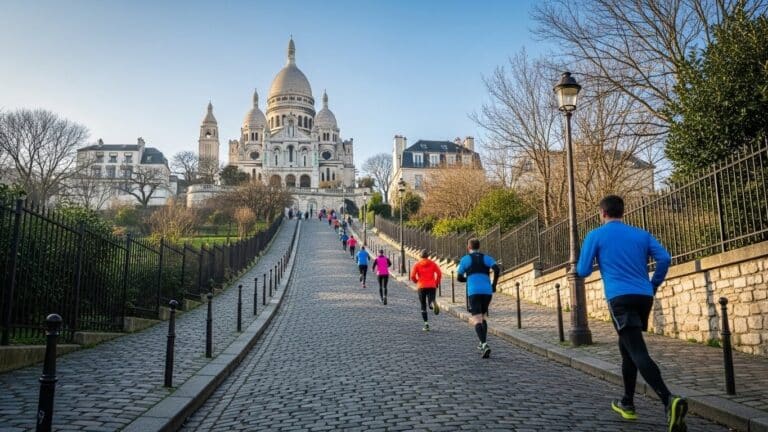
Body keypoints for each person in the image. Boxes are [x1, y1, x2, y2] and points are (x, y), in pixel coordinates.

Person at [576, 195, 687, 431]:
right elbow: (665, 258)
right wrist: (653, 283)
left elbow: (583, 270)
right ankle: (627, 402)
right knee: (627, 349)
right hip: (643, 296)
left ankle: (669, 399)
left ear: (602, 213)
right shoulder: (641, 234)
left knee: (636, 350)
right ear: (622, 212)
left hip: (620, 298)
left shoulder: (596, 235)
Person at [456, 238, 500, 358]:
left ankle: (485, 344)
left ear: (468, 247)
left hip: (474, 291)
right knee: (483, 317)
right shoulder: (486, 258)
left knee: (477, 319)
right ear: (479, 247)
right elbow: (497, 269)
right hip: (487, 291)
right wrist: (494, 285)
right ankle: (482, 343)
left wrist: (468, 278)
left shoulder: (465, 260)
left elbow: (459, 278)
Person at [410, 250, 442, 332]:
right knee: (431, 299)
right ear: (428, 256)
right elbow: (439, 274)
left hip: (421, 286)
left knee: (423, 305)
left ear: (420, 256)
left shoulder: (417, 264)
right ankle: (432, 302)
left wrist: (416, 281)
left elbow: (412, 276)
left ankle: (426, 324)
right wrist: (436, 282)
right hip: (432, 285)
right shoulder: (433, 263)